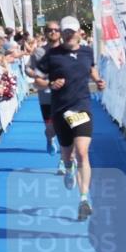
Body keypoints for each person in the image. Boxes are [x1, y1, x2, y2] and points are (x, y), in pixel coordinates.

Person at [32, 16, 105, 221]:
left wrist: (98, 80)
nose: (68, 35)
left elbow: (91, 69)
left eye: (72, 31)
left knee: (82, 152)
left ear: (79, 32)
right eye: (65, 32)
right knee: (68, 155)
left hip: (81, 107)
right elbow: (36, 80)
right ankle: (69, 167)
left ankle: (83, 199)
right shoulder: (52, 55)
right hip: (60, 110)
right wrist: (48, 85)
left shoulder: (87, 51)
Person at [27, 21, 63, 160]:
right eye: (49, 30)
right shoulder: (39, 51)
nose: (53, 32)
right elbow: (28, 68)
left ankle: (64, 160)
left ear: (60, 32)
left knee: (64, 128)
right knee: (50, 129)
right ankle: (49, 140)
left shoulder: (66, 50)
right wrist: (35, 75)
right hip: (46, 95)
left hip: (65, 95)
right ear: (46, 33)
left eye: (56, 30)